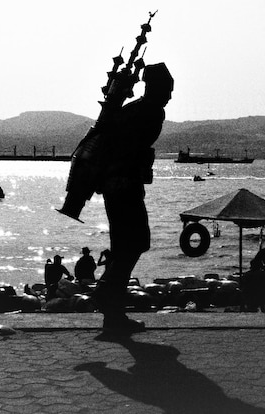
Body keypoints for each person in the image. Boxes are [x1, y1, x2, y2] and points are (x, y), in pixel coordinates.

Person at [92, 63, 174, 333]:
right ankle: (107, 294)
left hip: (113, 186)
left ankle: (112, 317)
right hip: (126, 185)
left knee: (122, 247)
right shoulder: (151, 112)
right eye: (168, 90)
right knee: (136, 243)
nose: (170, 97)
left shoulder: (130, 110)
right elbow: (136, 147)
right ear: (157, 88)